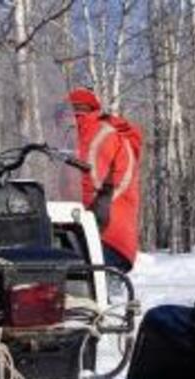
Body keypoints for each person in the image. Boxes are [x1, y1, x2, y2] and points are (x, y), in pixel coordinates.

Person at [67, 87, 144, 272]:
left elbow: (95, 183)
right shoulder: (75, 139)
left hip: (106, 236)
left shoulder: (101, 135)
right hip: (91, 234)